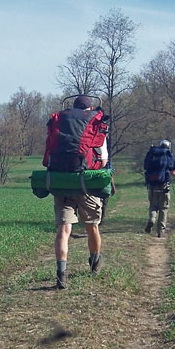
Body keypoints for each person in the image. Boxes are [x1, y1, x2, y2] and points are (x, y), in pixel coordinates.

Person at [43, 95, 108, 289]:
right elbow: (102, 161)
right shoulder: (93, 123)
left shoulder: (60, 121)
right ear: (90, 110)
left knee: (63, 230)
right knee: (92, 226)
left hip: (62, 183)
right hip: (85, 183)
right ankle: (95, 262)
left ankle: (61, 274)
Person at [143, 139, 175, 237]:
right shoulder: (168, 154)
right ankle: (160, 231)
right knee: (163, 208)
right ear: (168, 146)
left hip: (152, 186)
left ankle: (151, 220)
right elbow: (173, 171)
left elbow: (145, 167)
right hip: (164, 185)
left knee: (153, 206)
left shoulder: (151, 153)